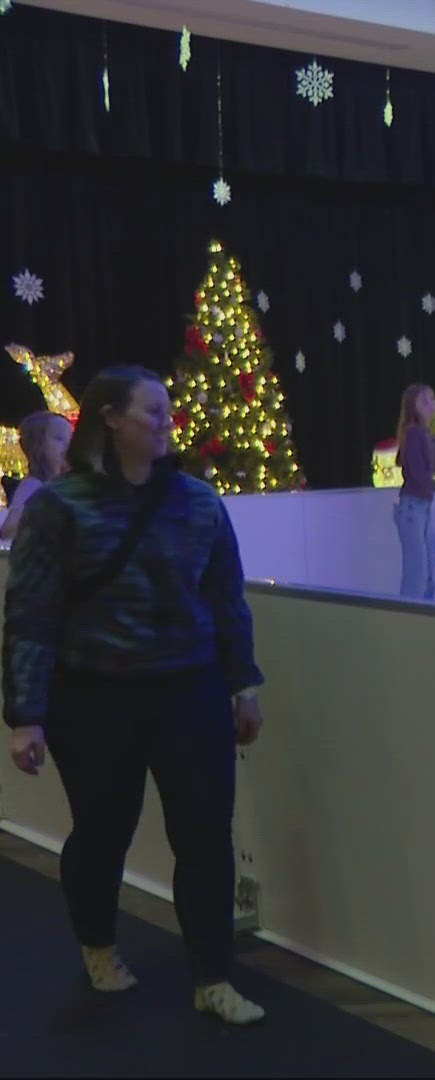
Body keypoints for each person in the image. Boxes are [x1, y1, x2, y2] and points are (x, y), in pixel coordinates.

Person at [4, 366, 267, 1025]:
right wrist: (26, 716)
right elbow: (32, 613)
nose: (166, 420)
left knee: (206, 833)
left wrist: (244, 684)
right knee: (103, 831)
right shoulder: (60, 507)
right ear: (111, 419)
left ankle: (212, 976)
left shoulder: (200, 501)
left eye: (168, 409)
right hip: (92, 698)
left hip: (191, 688)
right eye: (152, 410)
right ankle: (98, 944)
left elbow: (226, 601)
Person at [394, 383, 435, 600]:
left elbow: (433, 469)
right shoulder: (413, 434)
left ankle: (423, 616)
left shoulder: (423, 434)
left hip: (422, 507)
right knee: (417, 572)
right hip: (412, 507)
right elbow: (419, 475)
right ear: (413, 407)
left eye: (432, 399)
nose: (431, 404)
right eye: (424, 401)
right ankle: (409, 619)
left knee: (429, 571)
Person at [0, 411, 73, 541]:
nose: (68, 445)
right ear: (37, 446)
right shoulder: (34, 486)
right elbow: (8, 530)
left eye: (71, 439)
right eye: (59, 439)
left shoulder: (65, 485)